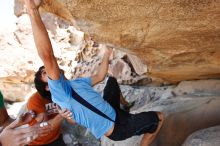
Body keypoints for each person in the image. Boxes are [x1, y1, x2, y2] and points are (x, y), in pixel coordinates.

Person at [24, 0, 164, 145]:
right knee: (158, 117)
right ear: (48, 86)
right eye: (45, 73)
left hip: (112, 111)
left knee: (111, 81)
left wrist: (106, 54)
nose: (47, 69)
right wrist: (33, 10)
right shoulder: (59, 92)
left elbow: (99, 76)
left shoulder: (74, 83)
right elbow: (48, 56)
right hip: (116, 127)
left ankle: (126, 105)